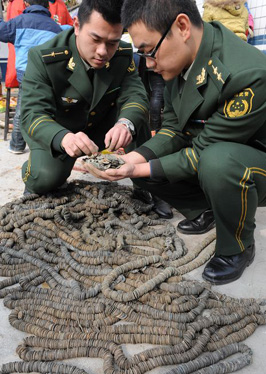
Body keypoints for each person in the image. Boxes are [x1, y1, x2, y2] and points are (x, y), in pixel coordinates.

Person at [87, 0, 266, 285]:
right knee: (140, 154)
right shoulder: (181, 57)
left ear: (182, 26)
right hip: (216, 148)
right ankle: (206, 209)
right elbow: (173, 130)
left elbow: (201, 152)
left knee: (217, 163)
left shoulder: (246, 74)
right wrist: (130, 161)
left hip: (254, 163)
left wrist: (135, 170)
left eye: (149, 52)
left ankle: (237, 247)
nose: (148, 63)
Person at [20, 0, 172, 218]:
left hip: (105, 128)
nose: (103, 51)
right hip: (62, 132)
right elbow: (32, 113)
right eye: (96, 39)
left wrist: (125, 123)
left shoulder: (122, 54)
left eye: (112, 42)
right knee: (45, 177)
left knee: (137, 120)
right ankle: (34, 170)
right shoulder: (44, 58)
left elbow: (136, 95)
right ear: (77, 26)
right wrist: (63, 138)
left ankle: (148, 187)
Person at [0, 0, 63, 153]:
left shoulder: (18, 22)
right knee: (47, 109)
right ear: (47, 7)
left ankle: (17, 145)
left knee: (22, 109)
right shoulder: (55, 27)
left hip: (25, 74)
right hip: (48, 75)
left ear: (26, 4)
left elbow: (2, 31)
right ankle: (44, 146)